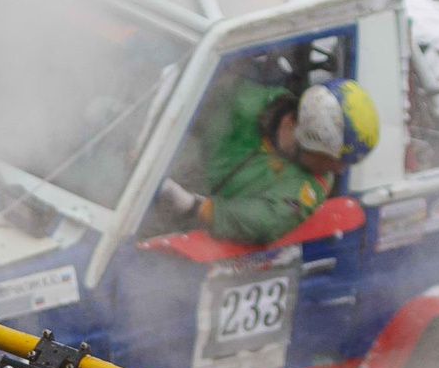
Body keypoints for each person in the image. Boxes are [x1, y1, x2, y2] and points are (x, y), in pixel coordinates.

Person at [157, 77, 380, 245]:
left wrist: (192, 205)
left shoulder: (310, 186)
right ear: (311, 136)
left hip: (188, 231)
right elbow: (183, 109)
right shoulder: (246, 104)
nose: (339, 169)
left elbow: (267, 220)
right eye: (336, 159)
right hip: (155, 175)